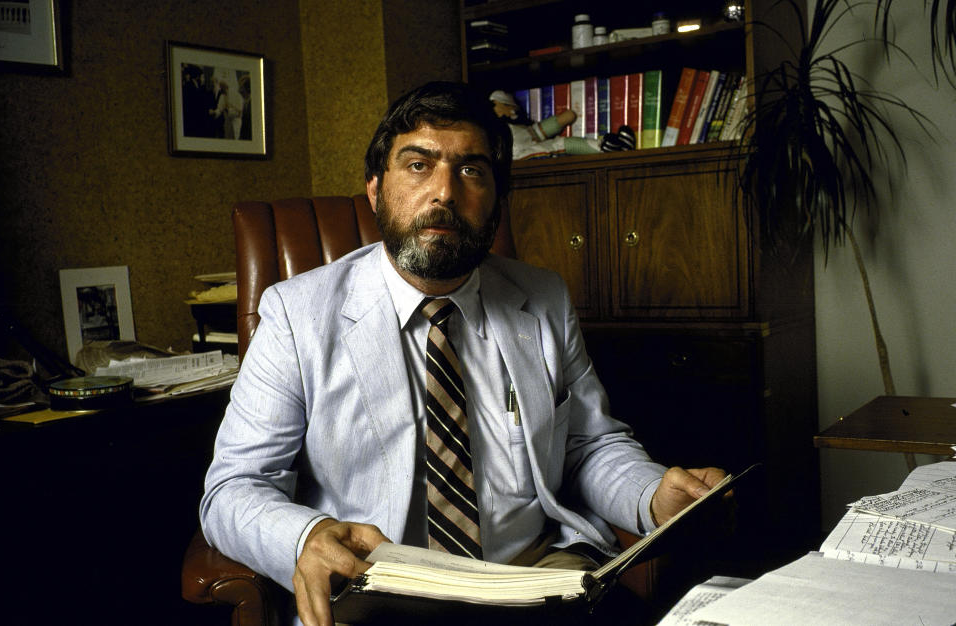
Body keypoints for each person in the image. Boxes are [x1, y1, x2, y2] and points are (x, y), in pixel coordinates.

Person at [200, 81, 726, 626]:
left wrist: (650, 495)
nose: (445, 193)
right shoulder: (295, 313)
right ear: (376, 190)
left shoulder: (542, 297)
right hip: (378, 591)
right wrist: (305, 537)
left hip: (533, 577)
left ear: (498, 199)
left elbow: (586, 446)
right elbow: (233, 490)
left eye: (471, 169)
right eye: (418, 165)